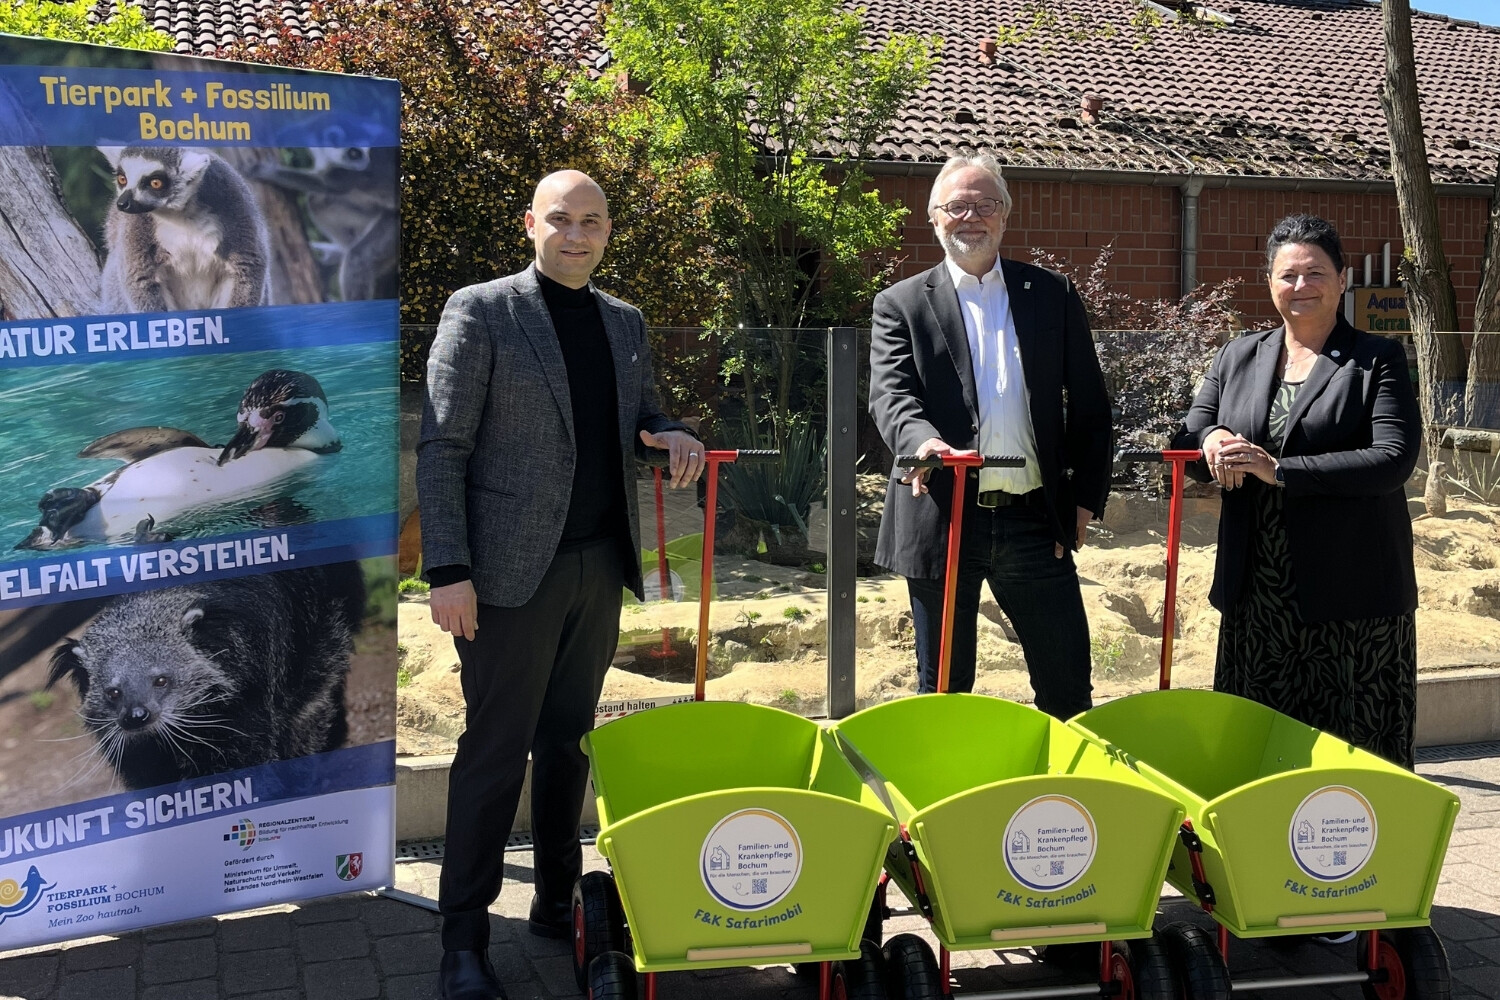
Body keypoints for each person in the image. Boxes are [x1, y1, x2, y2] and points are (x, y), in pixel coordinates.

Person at [417, 169, 706, 1000]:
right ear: (530, 225)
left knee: (570, 742)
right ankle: (462, 946)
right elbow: (442, 448)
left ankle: (553, 900)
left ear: (609, 230)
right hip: (507, 576)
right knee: (494, 751)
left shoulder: (624, 322)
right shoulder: (483, 310)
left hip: (595, 567)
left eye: (592, 222)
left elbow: (644, 416)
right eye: (561, 220)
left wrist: (675, 436)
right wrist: (449, 570)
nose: (576, 235)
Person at [868, 152, 1113, 717]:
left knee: (1068, 688)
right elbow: (892, 396)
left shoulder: (1052, 293)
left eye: (985, 205)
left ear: (1004, 217)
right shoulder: (900, 304)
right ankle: (951, 801)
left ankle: (1060, 801)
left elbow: (1091, 406)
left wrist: (1082, 501)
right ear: (933, 218)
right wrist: (923, 443)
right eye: (957, 206)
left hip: (1035, 519)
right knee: (945, 694)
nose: (970, 217)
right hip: (945, 516)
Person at [1174, 214, 1421, 769]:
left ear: (1341, 280)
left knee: (1352, 765)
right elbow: (1190, 434)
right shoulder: (1238, 355)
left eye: (1315, 273)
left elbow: (1391, 460)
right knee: (1257, 760)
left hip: (1352, 600)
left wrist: (1279, 470)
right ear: (1269, 282)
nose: (1301, 286)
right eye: (1288, 274)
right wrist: (1212, 437)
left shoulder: (1376, 359)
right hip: (1257, 596)